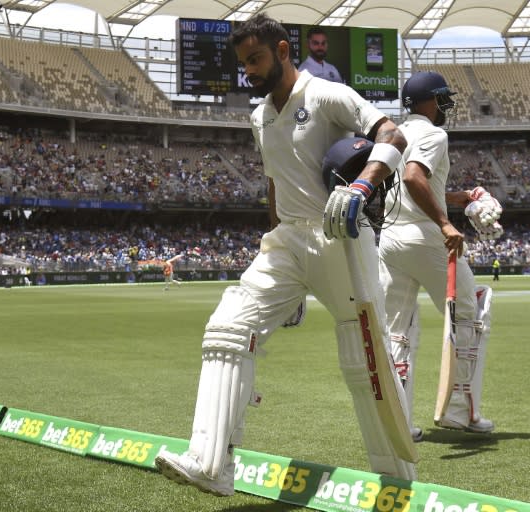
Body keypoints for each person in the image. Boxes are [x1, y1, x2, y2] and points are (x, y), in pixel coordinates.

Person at [154, 12, 415, 496]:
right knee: (229, 327)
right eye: (243, 63)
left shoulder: (324, 94)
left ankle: (400, 480)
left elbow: (392, 134)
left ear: (281, 51)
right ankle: (211, 465)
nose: (248, 71)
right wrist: (282, 265)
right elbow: (275, 186)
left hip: (340, 235)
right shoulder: (259, 117)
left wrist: (362, 183)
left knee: (365, 357)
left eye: (255, 59)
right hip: (285, 243)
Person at [377, 71, 503, 440]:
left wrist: (454, 197)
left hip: (391, 239)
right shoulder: (434, 134)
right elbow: (415, 177)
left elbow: (408, 183)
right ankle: (460, 412)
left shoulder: (393, 135)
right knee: (471, 313)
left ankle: (398, 422)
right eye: (441, 98)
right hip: (425, 238)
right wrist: (446, 223)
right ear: (428, 101)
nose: (445, 105)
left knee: (396, 332)